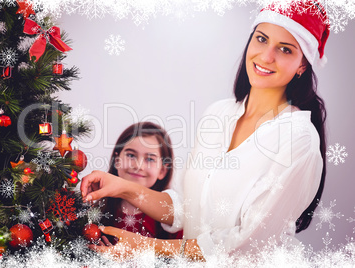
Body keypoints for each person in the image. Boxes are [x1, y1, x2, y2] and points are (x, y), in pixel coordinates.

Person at [81, 1, 329, 261]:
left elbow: (247, 246)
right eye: (261, 39)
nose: (266, 56)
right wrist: (122, 187)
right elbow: (184, 210)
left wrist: (147, 246)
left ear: (303, 64)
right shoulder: (217, 114)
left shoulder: (299, 141)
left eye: (285, 49)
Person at [97, 122, 183, 246]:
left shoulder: (172, 220)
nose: (138, 166)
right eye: (131, 155)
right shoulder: (95, 213)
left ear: (163, 171)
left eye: (150, 159)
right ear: (116, 161)